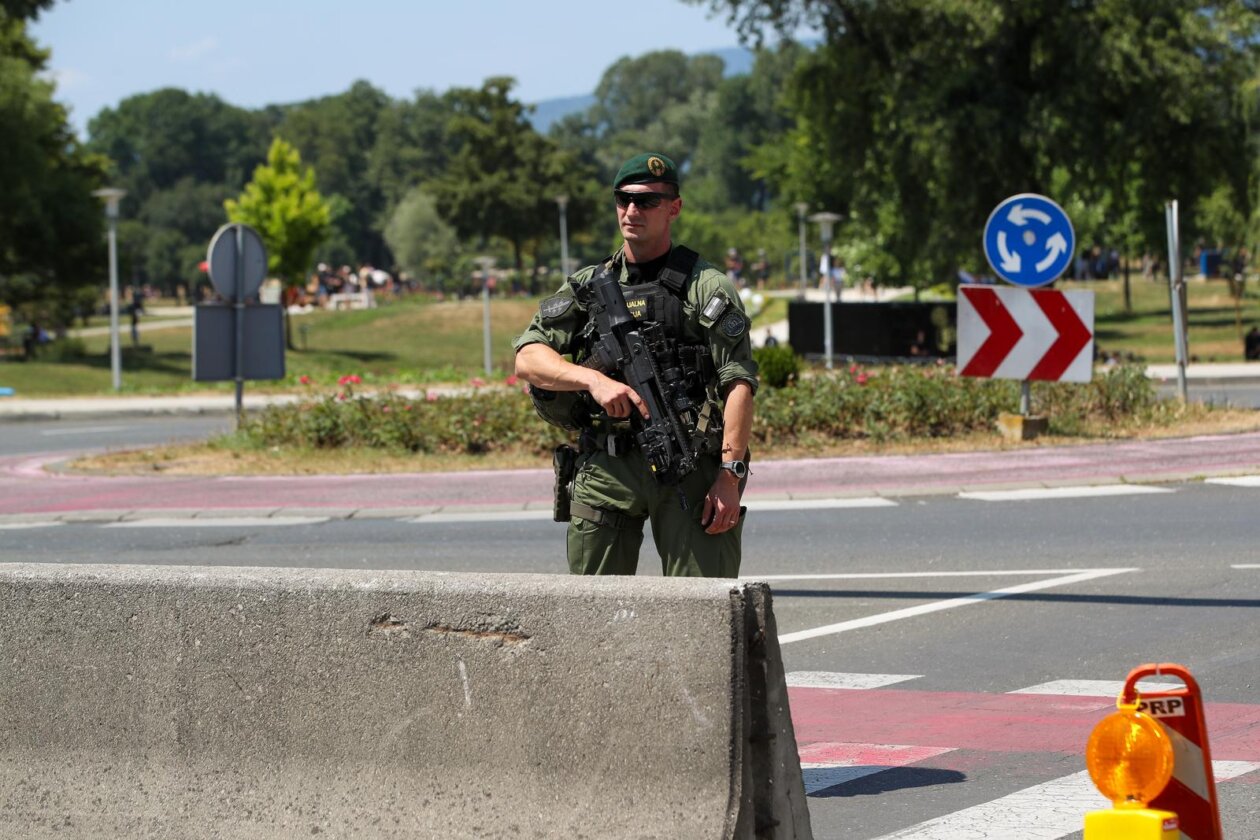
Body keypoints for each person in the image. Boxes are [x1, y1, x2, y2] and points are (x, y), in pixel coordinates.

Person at [513, 152, 758, 578]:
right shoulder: (590, 285)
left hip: (688, 467)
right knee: (594, 615)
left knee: (700, 612)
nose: (631, 210)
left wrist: (729, 476)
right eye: (623, 199)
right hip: (607, 467)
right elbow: (528, 358)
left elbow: (738, 384)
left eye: (646, 201)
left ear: (674, 208)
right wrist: (592, 380)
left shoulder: (705, 286)